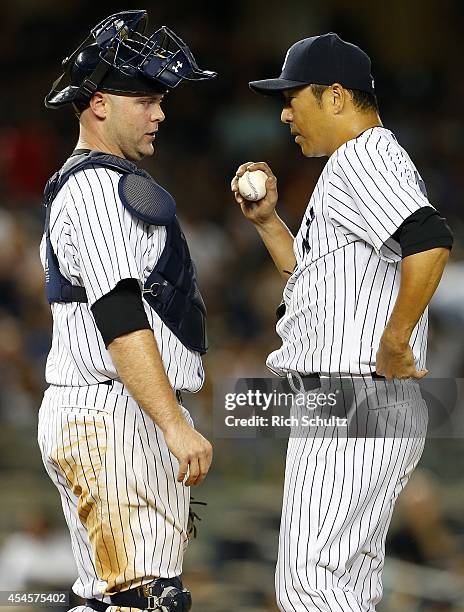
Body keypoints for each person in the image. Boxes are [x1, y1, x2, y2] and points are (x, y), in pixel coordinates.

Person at [231, 33, 453, 611]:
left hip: (352, 401)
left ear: (334, 97)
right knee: (344, 590)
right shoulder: (351, 166)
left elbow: (429, 240)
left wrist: (397, 338)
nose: (284, 112)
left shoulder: (362, 157)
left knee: (309, 589)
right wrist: (268, 221)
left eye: (292, 97)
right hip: (362, 405)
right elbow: (308, 281)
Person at [38, 10, 215, 612]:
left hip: (112, 411)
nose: (159, 112)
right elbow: (118, 315)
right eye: (144, 98)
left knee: (108, 600)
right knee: (146, 600)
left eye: (160, 98)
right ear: (97, 103)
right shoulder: (94, 191)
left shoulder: (101, 185)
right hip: (115, 413)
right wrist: (172, 423)